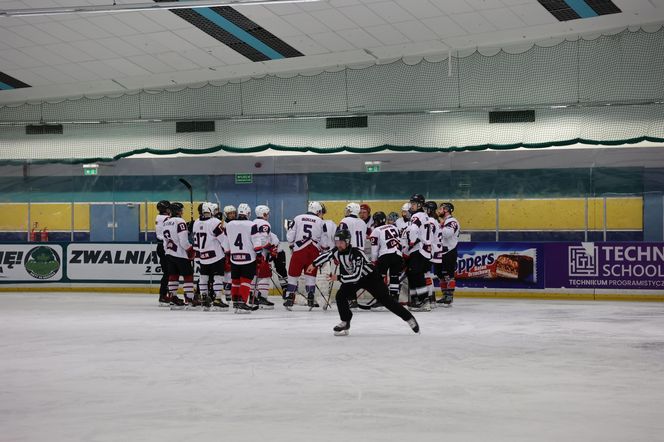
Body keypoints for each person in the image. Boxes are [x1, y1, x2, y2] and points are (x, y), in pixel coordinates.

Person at [308, 229, 419, 336]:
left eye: (341, 242)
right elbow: (326, 256)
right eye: (336, 242)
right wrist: (313, 264)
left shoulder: (357, 254)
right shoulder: (337, 250)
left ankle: (409, 318)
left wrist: (339, 277)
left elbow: (356, 276)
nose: (338, 245)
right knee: (340, 296)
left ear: (347, 242)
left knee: (387, 301)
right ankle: (345, 322)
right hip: (354, 277)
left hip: (371, 278)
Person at [284, 201, 325, 309]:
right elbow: (324, 242)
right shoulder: (320, 221)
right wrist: (323, 252)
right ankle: (310, 297)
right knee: (310, 275)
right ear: (317, 211)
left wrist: (292, 244)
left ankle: (289, 298)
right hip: (314, 250)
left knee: (293, 275)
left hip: (299, 249)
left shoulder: (298, 218)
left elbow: (290, 236)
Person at [192, 202, 230, 310]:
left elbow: (195, 242)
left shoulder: (196, 222)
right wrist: (228, 251)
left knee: (203, 277)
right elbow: (223, 239)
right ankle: (217, 299)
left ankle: (204, 298)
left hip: (203, 256)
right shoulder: (215, 222)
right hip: (216, 255)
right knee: (218, 277)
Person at [224, 203, 259, 313]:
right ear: (248, 213)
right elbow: (256, 242)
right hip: (249, 257)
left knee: (235, 280)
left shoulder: (229, 225)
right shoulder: (252, 224)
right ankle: (243, 302)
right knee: (246, 280)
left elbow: (226, 242)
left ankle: (235, 302)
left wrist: (228, 253)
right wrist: (259, 254)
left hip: (234, 257)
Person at [162, 202, 195, 308]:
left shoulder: (166, 222)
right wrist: (190, 250)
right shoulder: (180, 221)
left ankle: (173, 298)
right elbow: (183, 241)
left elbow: (164, 242)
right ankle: (189, 298)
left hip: (169, 253)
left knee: (173, 276)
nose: (182, 212)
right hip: (180, 253)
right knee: (188, 275)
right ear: (178, 211)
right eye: (181, 210)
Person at [403, 194, 432, 311]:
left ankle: (424, 301)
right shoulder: (424, 216)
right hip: (424, 250)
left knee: (417, 275)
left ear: (420, 205)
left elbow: (414, 230)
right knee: (413, 274)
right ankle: (417, 300)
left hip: (418, 250)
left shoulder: (417, 216)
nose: (412, 206)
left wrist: (410, 243)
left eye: (414, 204)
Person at [369, 211, 404, 306]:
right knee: (394, 277)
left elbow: (374, 249)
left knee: (379, 278)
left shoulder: (376, 231)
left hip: (385, 255)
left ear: (376, 221)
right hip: (398, 255)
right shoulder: (394, 227)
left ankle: (381, 299)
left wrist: (373, 261)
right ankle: (394, 298)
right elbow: (401, 241)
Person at [436, 202, 460, 306]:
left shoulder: (452, 221)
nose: (439, 211)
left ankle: (449, 297)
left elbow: (447, 233)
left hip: (449, 251)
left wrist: (439, 225)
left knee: (449, 275)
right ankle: (444, 295)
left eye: (441, 209)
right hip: (440, 251)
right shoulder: (444, 221)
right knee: (440, 274)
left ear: (446, 210)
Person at [252, 205, 276, 309]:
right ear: (264, 214)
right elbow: (262, 240)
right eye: (267, 213)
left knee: (254, 277)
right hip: (260, 254)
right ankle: (262, 297)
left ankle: (252, 296)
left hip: (252, 253)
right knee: (265, 275)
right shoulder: (265, 223)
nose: (268, 215)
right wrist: (271, 247)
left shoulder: (252, 222)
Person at [155, 200, 171, 306]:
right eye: (168, 208)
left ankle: (166, 294)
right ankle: (163, 295)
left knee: (168, 272)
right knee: (168, 272)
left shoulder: (159, 217)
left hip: (161, 246)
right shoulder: (166, 218)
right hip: (165, 246)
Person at [424, 201, 440, 307]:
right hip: (434, 250)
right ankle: (432, 299)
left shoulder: (430, 221)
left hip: (429, 250)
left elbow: (426, 237)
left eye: (426, 209)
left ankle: (430, 298)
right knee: (427, 274)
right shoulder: (435, 220)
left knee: (425, 274)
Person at [221, 205, 237, 301]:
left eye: (233, 213)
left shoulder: (236, 223)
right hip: (226, 251)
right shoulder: (224, 225)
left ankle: (231, 293)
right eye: (229, 213)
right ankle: (227, 294)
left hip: (235, 250)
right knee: (228, 272)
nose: (232, 215)